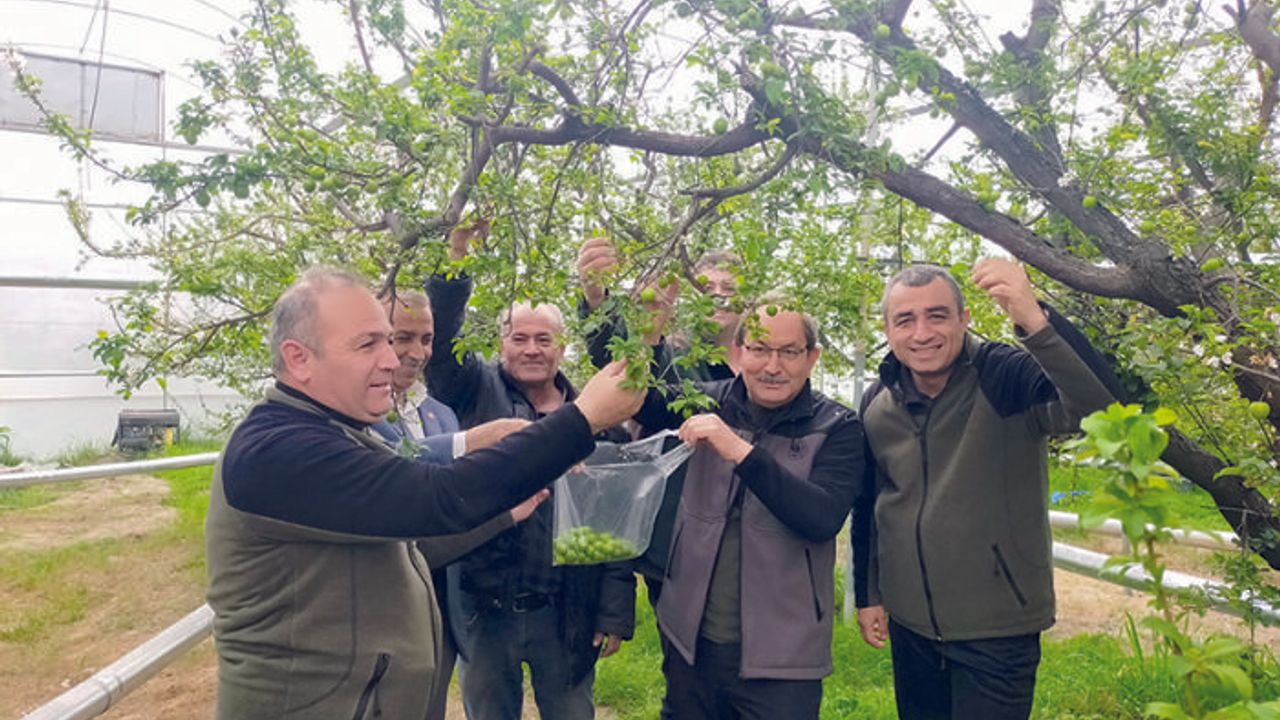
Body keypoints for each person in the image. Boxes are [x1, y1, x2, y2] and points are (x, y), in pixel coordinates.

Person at [205, 268, 643, 720]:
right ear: (298, 359)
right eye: (368, 344)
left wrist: (504, 514)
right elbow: (440, 497)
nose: (392, 360)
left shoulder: (342, 433)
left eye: (386, 341)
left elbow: (409, 544)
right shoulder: (279, 450)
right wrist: (582, 419)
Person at [852, 259, 1122, 720]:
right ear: (888, 330)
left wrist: (1033, 318)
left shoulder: (1004, 374)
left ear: (964, 318)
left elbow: (1102, 413)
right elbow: (869, 502)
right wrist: (869, 593)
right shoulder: (879, 400)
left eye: (937, 315)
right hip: (911, 628)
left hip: (997, 628)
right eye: (906, 320)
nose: (922, 333)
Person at [427, 231, 636, 720]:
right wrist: (455, 262)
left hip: (565, 611)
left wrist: (613, 611)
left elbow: (612, 526)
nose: (532, 349)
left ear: (562, 347)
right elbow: (442, 350)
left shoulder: (595, 417)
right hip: (484, 609)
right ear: (501, 344)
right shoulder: (475, 391)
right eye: (519, 338)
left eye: (544, 339)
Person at [630, 295, 865, 720]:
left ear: (811, 358)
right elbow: (636, 397)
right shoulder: (704, 401)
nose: (773, 366)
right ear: (739, 352)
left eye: (789, 351)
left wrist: (739, 451)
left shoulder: (837, 426)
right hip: (691, 646)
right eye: (759, 349)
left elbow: (821, 517)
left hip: (783, 660)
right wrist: (646, 333)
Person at [369, 287, 527, 720]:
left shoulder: (439, 412)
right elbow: (398, 474)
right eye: (403, 337)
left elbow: (454, 504)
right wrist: (471, 442)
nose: (417, 352)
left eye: (427, 339)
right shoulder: (360, 413)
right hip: (383, 615)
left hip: (441, 609)